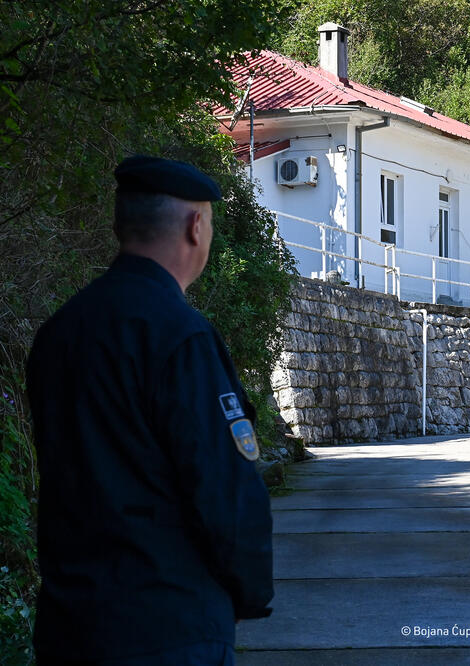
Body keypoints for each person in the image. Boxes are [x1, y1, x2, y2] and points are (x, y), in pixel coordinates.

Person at [26, 156, 274, 665]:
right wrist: (249, 591)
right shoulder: (181, 336)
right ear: (195, 226)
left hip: (70, 627)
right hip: (170, 626)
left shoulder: (58, 333)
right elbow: (222, 485)